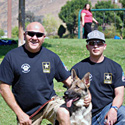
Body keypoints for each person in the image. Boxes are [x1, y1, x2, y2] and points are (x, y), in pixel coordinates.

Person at [0, 22, 72, 125]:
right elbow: (4, 88)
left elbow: (68, 80)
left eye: (38, 35)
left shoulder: (51, 57)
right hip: (28, 111)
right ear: (24, 35)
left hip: (49, 102)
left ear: (43, 37)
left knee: (64, 112)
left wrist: (86, 94)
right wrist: (20, 114)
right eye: (31, 34)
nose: (34, 38)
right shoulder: (11, 57)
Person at [71, 30, 125, 125]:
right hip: (83, 113)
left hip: (105, 111)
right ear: (87, 47)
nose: (95, 46)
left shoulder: (115, 67)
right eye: (92, 43)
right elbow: (70, 91)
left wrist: (114, 109)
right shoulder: (78, 68)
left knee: (123, 113)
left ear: (105, 46)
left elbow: (119, 94)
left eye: (99, 43)